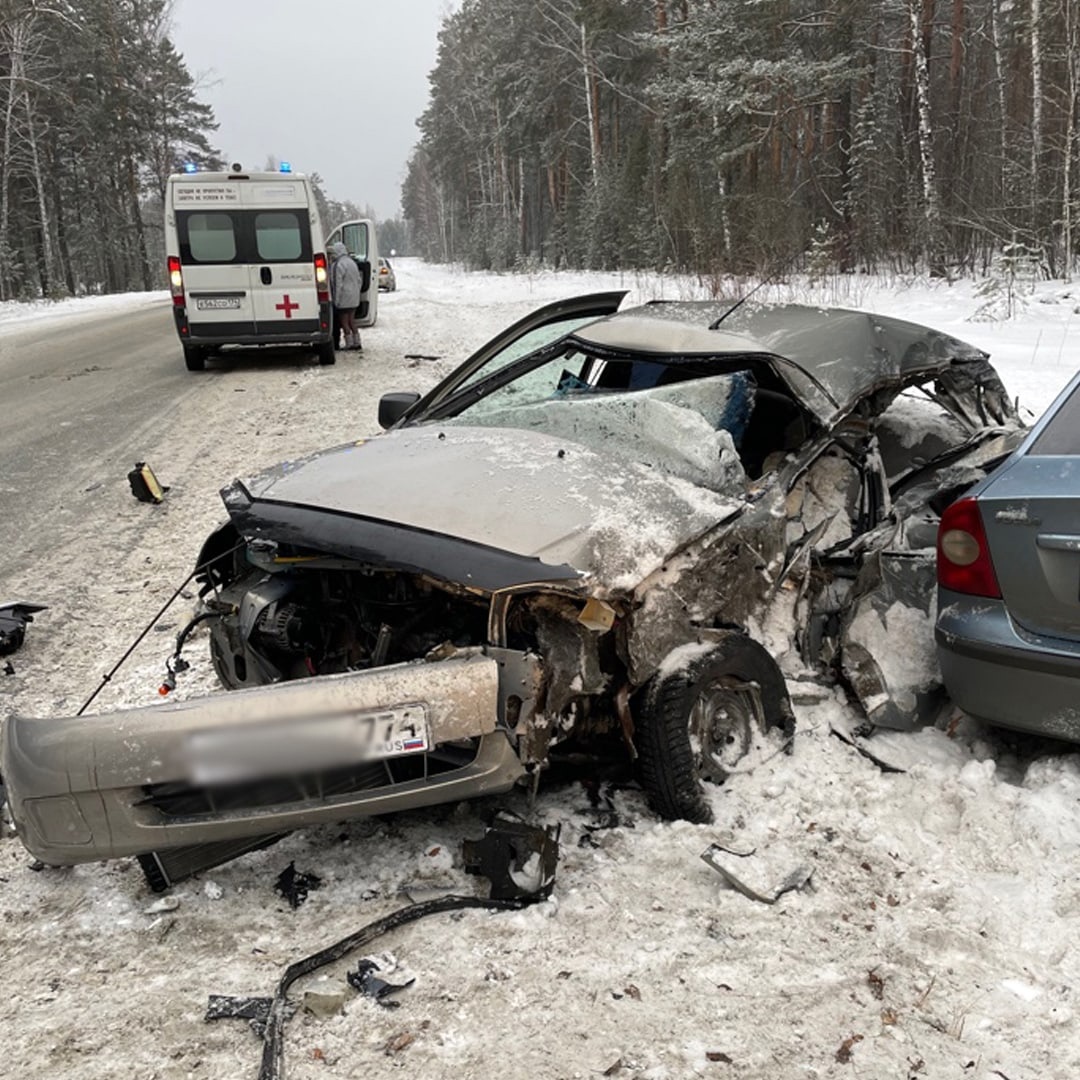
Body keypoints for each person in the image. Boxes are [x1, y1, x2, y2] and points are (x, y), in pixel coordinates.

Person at [329, 241, 362, 350]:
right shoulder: (352, 263)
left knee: (344, 322)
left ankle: (349, 343)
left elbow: (337, 284)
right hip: (354, 298)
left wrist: (336, 301)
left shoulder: (338, 264)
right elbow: (359, 280)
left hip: (344, 298)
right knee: (352, 320)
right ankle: (357, 342)